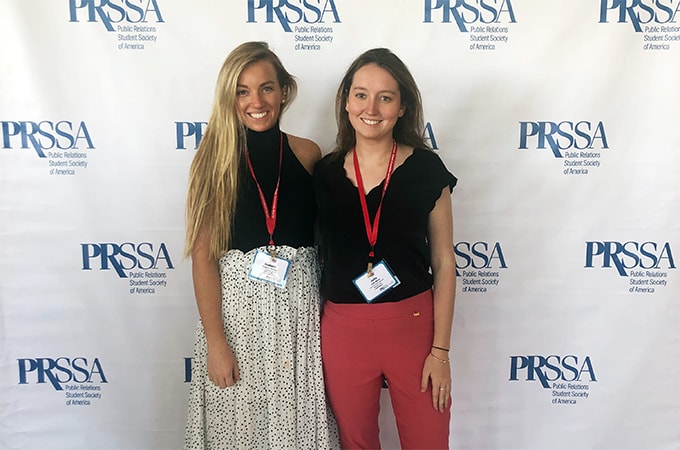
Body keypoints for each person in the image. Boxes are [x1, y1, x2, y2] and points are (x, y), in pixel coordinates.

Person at [183, 41, 338, 450]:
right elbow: (202, 258)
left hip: (299, 318)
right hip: (237, 319)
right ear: (229, 96)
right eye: (243, 90)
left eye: (267, 87)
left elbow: (327, 240)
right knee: (239, 427)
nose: (256, 101)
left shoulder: (308, 154)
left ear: (284, 90)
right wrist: (217, 343)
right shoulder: (211, 159)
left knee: (298, 428)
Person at [313, 48, 457, 449]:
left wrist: (440, 352)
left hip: (413, 327)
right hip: (343, 330)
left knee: (429, 441)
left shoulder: (427, 171)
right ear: (345, 102)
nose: (371, 108)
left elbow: (445, 263)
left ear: (402, 106)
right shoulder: (322, 173)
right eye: (360, 94)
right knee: (356, 442)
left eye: (385, 97)